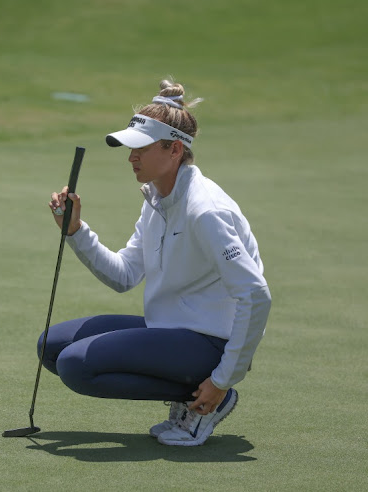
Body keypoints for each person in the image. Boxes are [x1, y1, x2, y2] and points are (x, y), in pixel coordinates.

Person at [44, 80, 272, 446]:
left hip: (211, 344)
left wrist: (222, 378)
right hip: (170, 330)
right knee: (52, 347)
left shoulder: (205, 211)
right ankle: (191, 391)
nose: (130, 157)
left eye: (140, 149)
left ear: (175, 150)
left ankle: (205, 402)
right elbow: (124, 275)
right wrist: (75, 231)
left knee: (76, 365)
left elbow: (256, 295)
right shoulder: (157, 200)